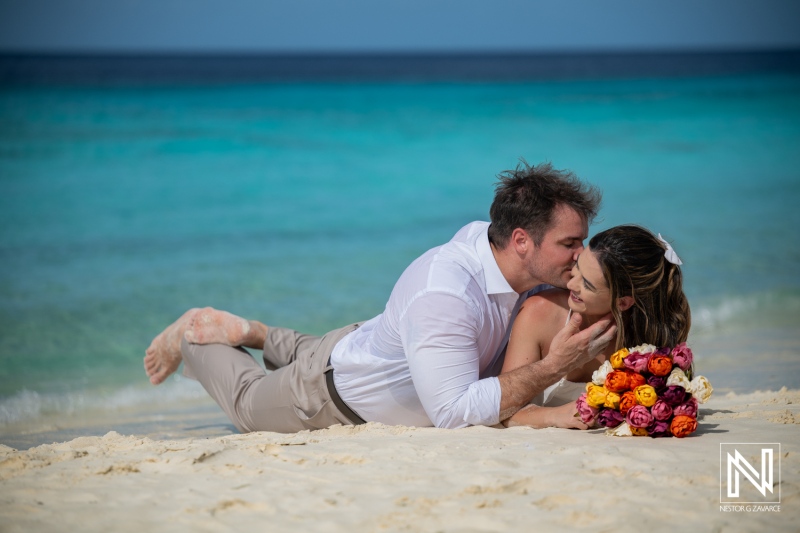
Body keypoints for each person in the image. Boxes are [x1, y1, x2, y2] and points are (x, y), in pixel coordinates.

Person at [144, 161, 616, 433]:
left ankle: (256, 331)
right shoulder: (445, 294)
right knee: (247, 404)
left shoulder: (505, 256)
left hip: (370, 343)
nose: (579, 259)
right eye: (570, 245)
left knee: (339, 349)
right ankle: (192, 335)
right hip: (326, 397)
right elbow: (451, 412)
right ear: (520, 241)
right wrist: (553, 367)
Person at [499, 224, 691, 429]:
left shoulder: (647, 335)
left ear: (623, 302)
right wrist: (557, 416)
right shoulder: (539, 313)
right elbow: (503, 409)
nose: (571, 285)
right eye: (577, 268)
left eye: (588, 285)